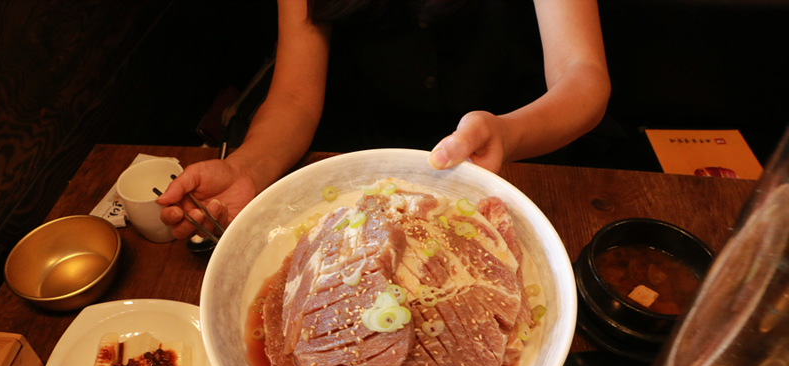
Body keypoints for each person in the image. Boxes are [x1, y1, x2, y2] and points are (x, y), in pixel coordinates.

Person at [157, 0, 610, 240]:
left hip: (523, 154)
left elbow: (582, 76)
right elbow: (295, 95)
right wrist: (245, 167)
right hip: (367, 165)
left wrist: (509, 132)